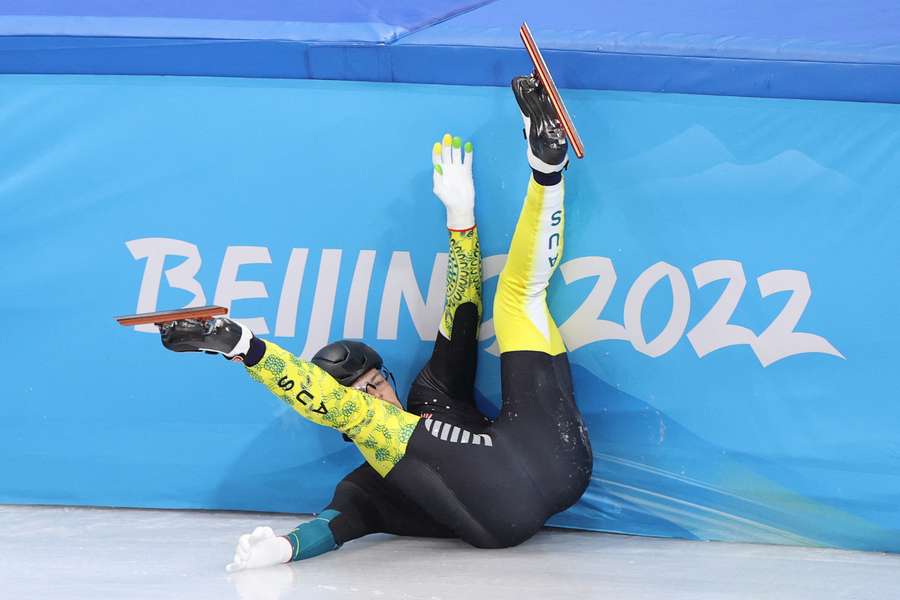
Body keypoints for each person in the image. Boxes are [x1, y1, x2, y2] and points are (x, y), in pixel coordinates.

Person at [158, 74, 593, 571]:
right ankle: (239, 345)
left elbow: (463, 309)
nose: (378, 393)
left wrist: (460, 218)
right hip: (500, 516)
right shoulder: (367, 481)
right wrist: (283, 548)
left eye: (377, 380)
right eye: (362, 391)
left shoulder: (433, 394)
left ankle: (546, 168)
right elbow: (332, 525)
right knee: (373, 424)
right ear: (336, 420)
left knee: (518, 300)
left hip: (558, 460)